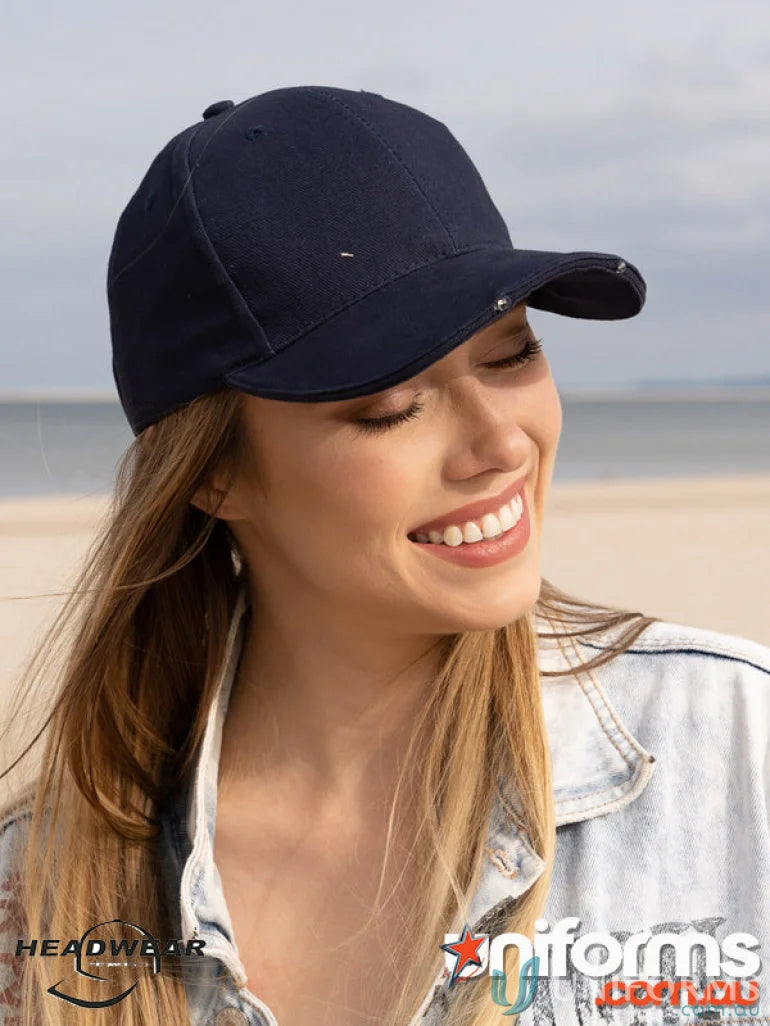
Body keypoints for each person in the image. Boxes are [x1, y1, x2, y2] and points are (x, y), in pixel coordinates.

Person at [0, 85, 768, 1026]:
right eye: (390, 407)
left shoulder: (738, 749)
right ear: (214, 473)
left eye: (511, 354)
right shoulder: (35, 894)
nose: (503, 443)